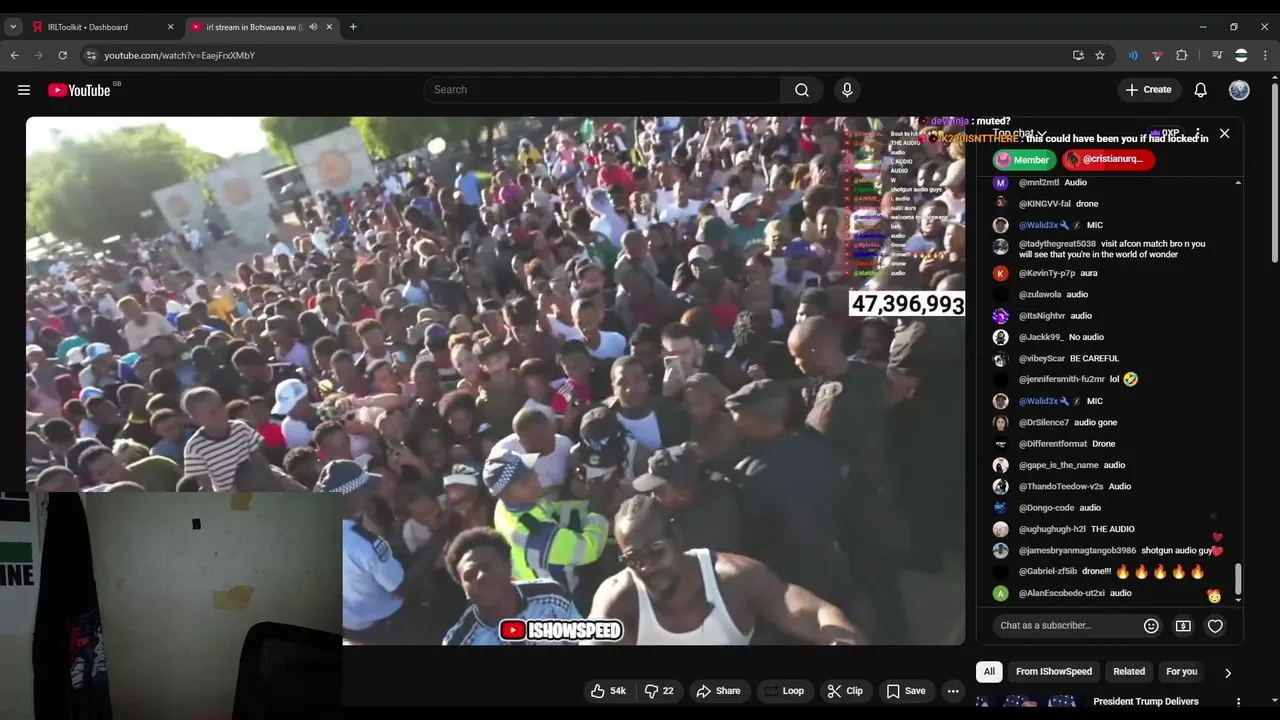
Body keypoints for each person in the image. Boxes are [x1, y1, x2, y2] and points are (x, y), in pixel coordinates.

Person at [586, 494, 865, 645]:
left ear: (678, 536)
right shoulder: (619, 599)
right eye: (633, 559)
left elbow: (817, 616)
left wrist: (842, 640)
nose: (647, 567)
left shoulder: (735, 579)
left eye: (656, 551)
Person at [334, 460, 440, 644]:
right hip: (387, 629)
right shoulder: (364, 543)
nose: (371, 494)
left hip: (350, 629)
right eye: (366, 490)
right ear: (353, 496)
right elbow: (401, 588)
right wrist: (440, 539)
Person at [487, 451, 609, 602]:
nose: (536, 478)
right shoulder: (536, 534)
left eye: (531, 471)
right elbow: (590, 549)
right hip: (560, 598)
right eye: (525, 482)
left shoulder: (506, 506)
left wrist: (585, 505)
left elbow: (551, 510)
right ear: (506, 494)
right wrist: (597, 510)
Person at [441, 527, 582, 645]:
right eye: (470, 575)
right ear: (464, 589)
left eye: (487, 567)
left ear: (509, 566)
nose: (481, 577)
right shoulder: (458, 641)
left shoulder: (551, 596)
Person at [488, 408, 574, 491]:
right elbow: (494, 490)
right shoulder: (503, 452)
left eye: (543, 438)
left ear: (553, 430)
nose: (540, 445)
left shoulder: (566, 445)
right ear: (520, 441)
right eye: (533, 441)